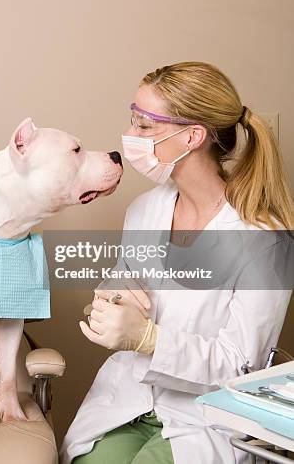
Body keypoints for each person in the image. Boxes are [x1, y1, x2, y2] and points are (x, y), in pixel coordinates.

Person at [60, 62, 294, 464]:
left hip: (207, 416)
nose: (130, 137)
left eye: (144, 126)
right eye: (132, 120)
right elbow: (125, 283)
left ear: (192, 136)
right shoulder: (145, 210)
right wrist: (110, 298)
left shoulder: (264, 239)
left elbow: (243, 365)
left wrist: (149, 340)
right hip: (130, 399)